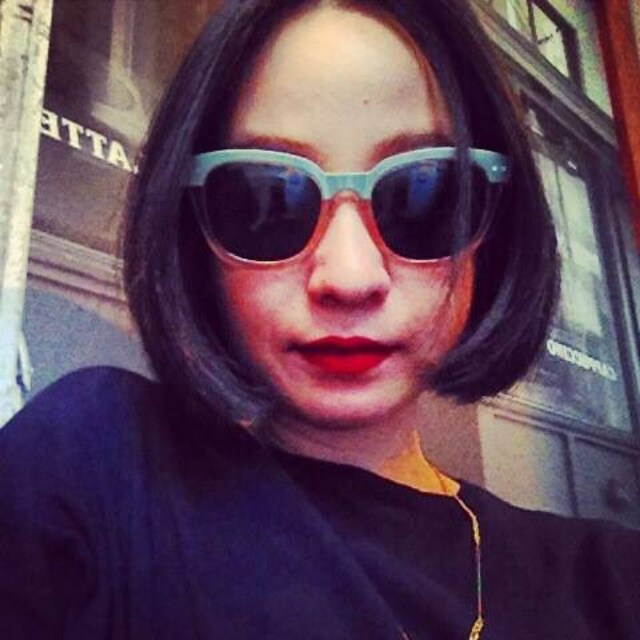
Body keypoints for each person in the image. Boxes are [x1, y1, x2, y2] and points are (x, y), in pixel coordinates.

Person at [1, 0, 638, 638]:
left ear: (493, 228)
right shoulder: (92, 473)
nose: (350, 278)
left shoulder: (614, 584)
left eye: (423, 194)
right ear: (193, 236)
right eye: (267, 197)